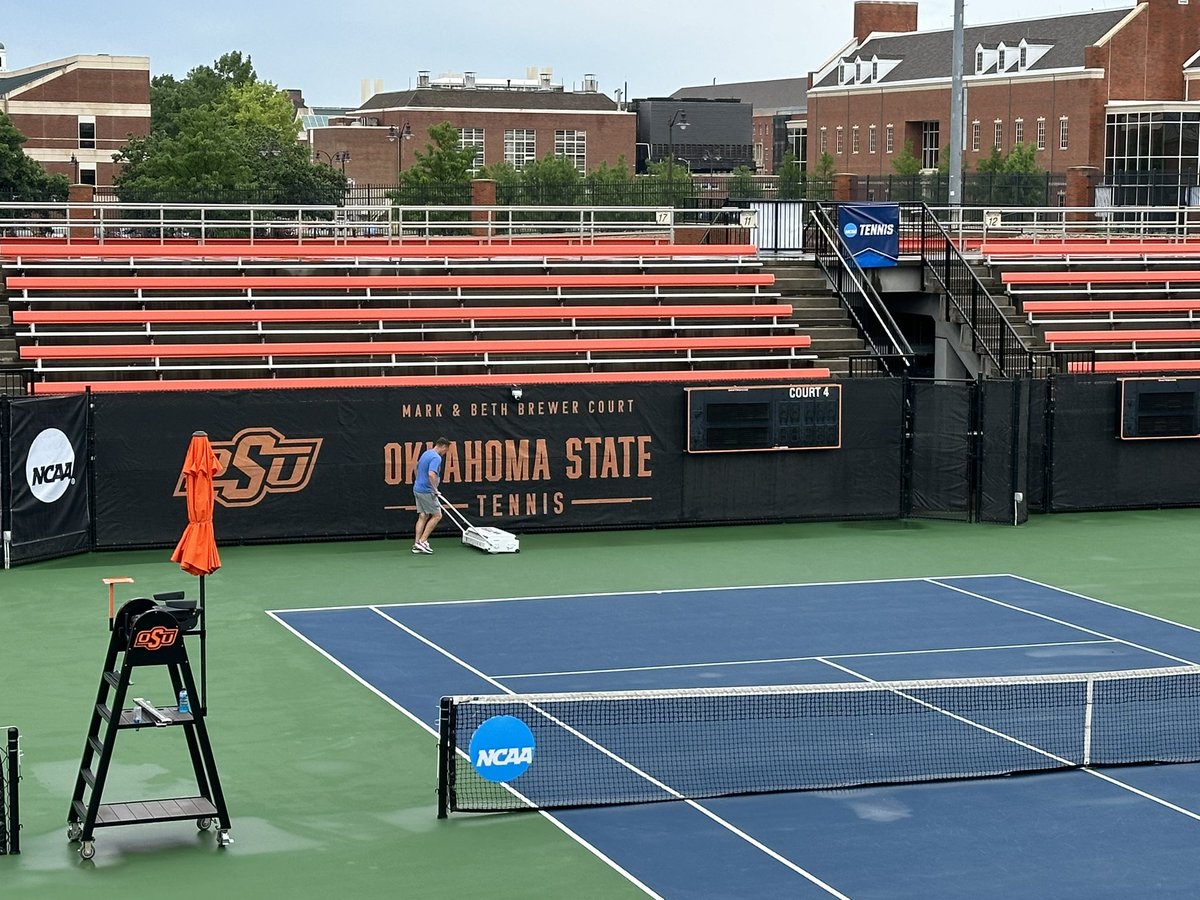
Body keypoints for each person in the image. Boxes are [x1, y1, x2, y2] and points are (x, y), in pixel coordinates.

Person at [412, 437, 449, 554]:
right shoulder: (436, 458)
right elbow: (431, 474)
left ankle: (416, 544)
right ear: (442, 446)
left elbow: (416, 467)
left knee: (423, 515)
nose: (445, 453)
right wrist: (435, 489)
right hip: (427, 491)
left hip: (417, 488)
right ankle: (422, 541)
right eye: (446, 450)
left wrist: (418, 480)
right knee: (437, 515)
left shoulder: (426, 453)